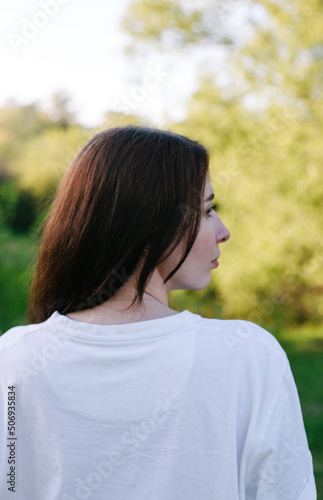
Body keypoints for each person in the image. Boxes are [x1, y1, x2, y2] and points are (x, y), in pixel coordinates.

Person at [0, 126, 316, 499]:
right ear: (151, 226)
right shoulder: (248, 355)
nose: (223, 231)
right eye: (208, 210)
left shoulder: (15, 358)